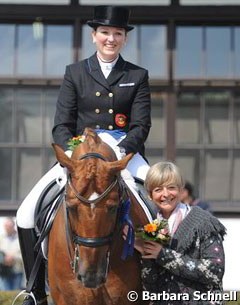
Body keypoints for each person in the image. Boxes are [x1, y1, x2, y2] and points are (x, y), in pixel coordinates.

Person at [16, 5, 151, 305]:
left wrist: (119, 151)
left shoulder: (137, 75)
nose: (111, 39)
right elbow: (61, 125)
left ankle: (161, 280)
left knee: (157, 207)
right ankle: (35, 290)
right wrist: (75, 154)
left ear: (124, 39)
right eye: (105, 32)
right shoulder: (75, 72)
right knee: (25, 213)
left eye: (117, 33)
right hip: (79, 156)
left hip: (121, 155)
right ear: (94, 36)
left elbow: (142, 125)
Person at [132, 162, 226, 305]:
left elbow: (214, 271)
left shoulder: (204, 222)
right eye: (158, 189)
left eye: (171, 187)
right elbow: (150, 287)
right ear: (150, 195)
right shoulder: (151, 228)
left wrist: (163, 255)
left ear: (181, 190)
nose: (165, 194)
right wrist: (146, 255)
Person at [0, 217, 23, 291]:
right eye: (5, 227)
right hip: (4, 271)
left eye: (8, 227)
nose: (6, 229)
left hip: (17, 270)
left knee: (15, 293)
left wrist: (13, 258)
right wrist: (4, 259)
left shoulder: (21, 238)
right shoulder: (1, 238)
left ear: (13, 226)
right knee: (5, 293)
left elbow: (25, 255)